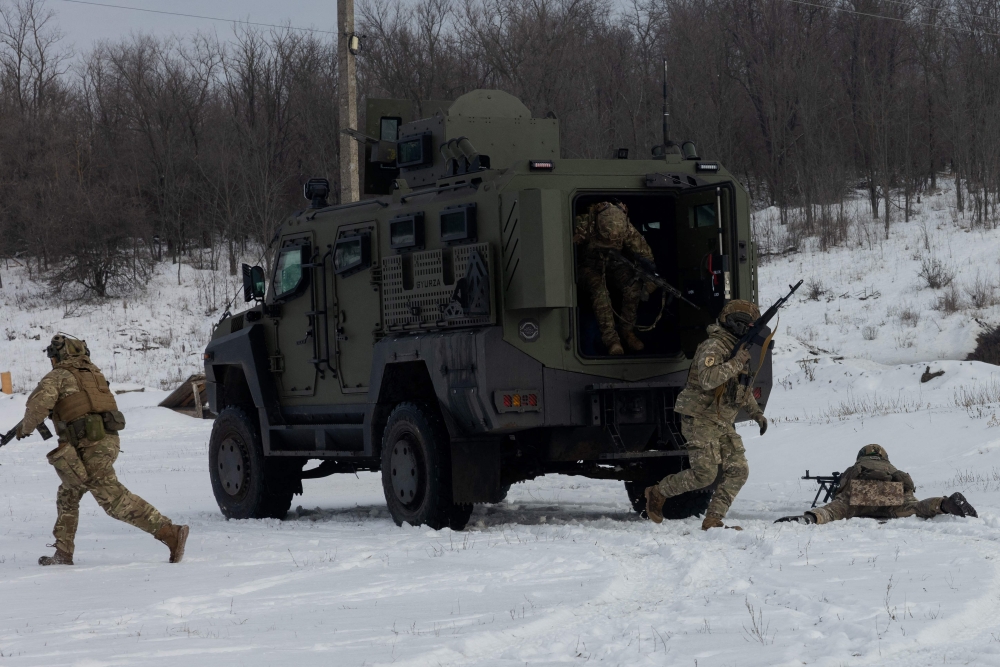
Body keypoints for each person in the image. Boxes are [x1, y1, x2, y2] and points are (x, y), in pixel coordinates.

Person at [16, 334, 189, 565]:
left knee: (113, 499)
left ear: (59, 355)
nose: (52, 361)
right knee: (68, 493)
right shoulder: (93, 374)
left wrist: (25, 428)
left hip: (90, 444)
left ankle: (170, 532)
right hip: (102, 440)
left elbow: (37, 405)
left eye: (53, 356)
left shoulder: (58, 376)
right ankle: (63, 553)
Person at [644, 300, 768, 530]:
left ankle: (713, 519)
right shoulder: (714, 346)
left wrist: (756, 413)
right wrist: (736, 362)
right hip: (700, 417)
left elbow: (741, 386)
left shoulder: (738, 348)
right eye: (743, 324)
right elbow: (708, 379)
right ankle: (658, 492)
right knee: (704, 474)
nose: (747, 329)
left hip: (721, 420)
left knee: (739, 470)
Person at [776, 444, 977, 524]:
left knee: (834, 509)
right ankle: (944, 503)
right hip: (892, 497)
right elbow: (909, 489)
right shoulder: (892, 468)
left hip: (859, 498)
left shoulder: (858, 465)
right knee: (916, 507)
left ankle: (810, 519)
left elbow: (841, 492)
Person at [574, 200, 656, 355]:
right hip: (585, 267)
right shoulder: (584, 224)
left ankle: (627, 332)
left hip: (613, 265)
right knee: (599, 289)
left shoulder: (626, 229)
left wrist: (650, 277)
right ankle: (611, 340)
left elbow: (644, 254)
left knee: (633, 286)